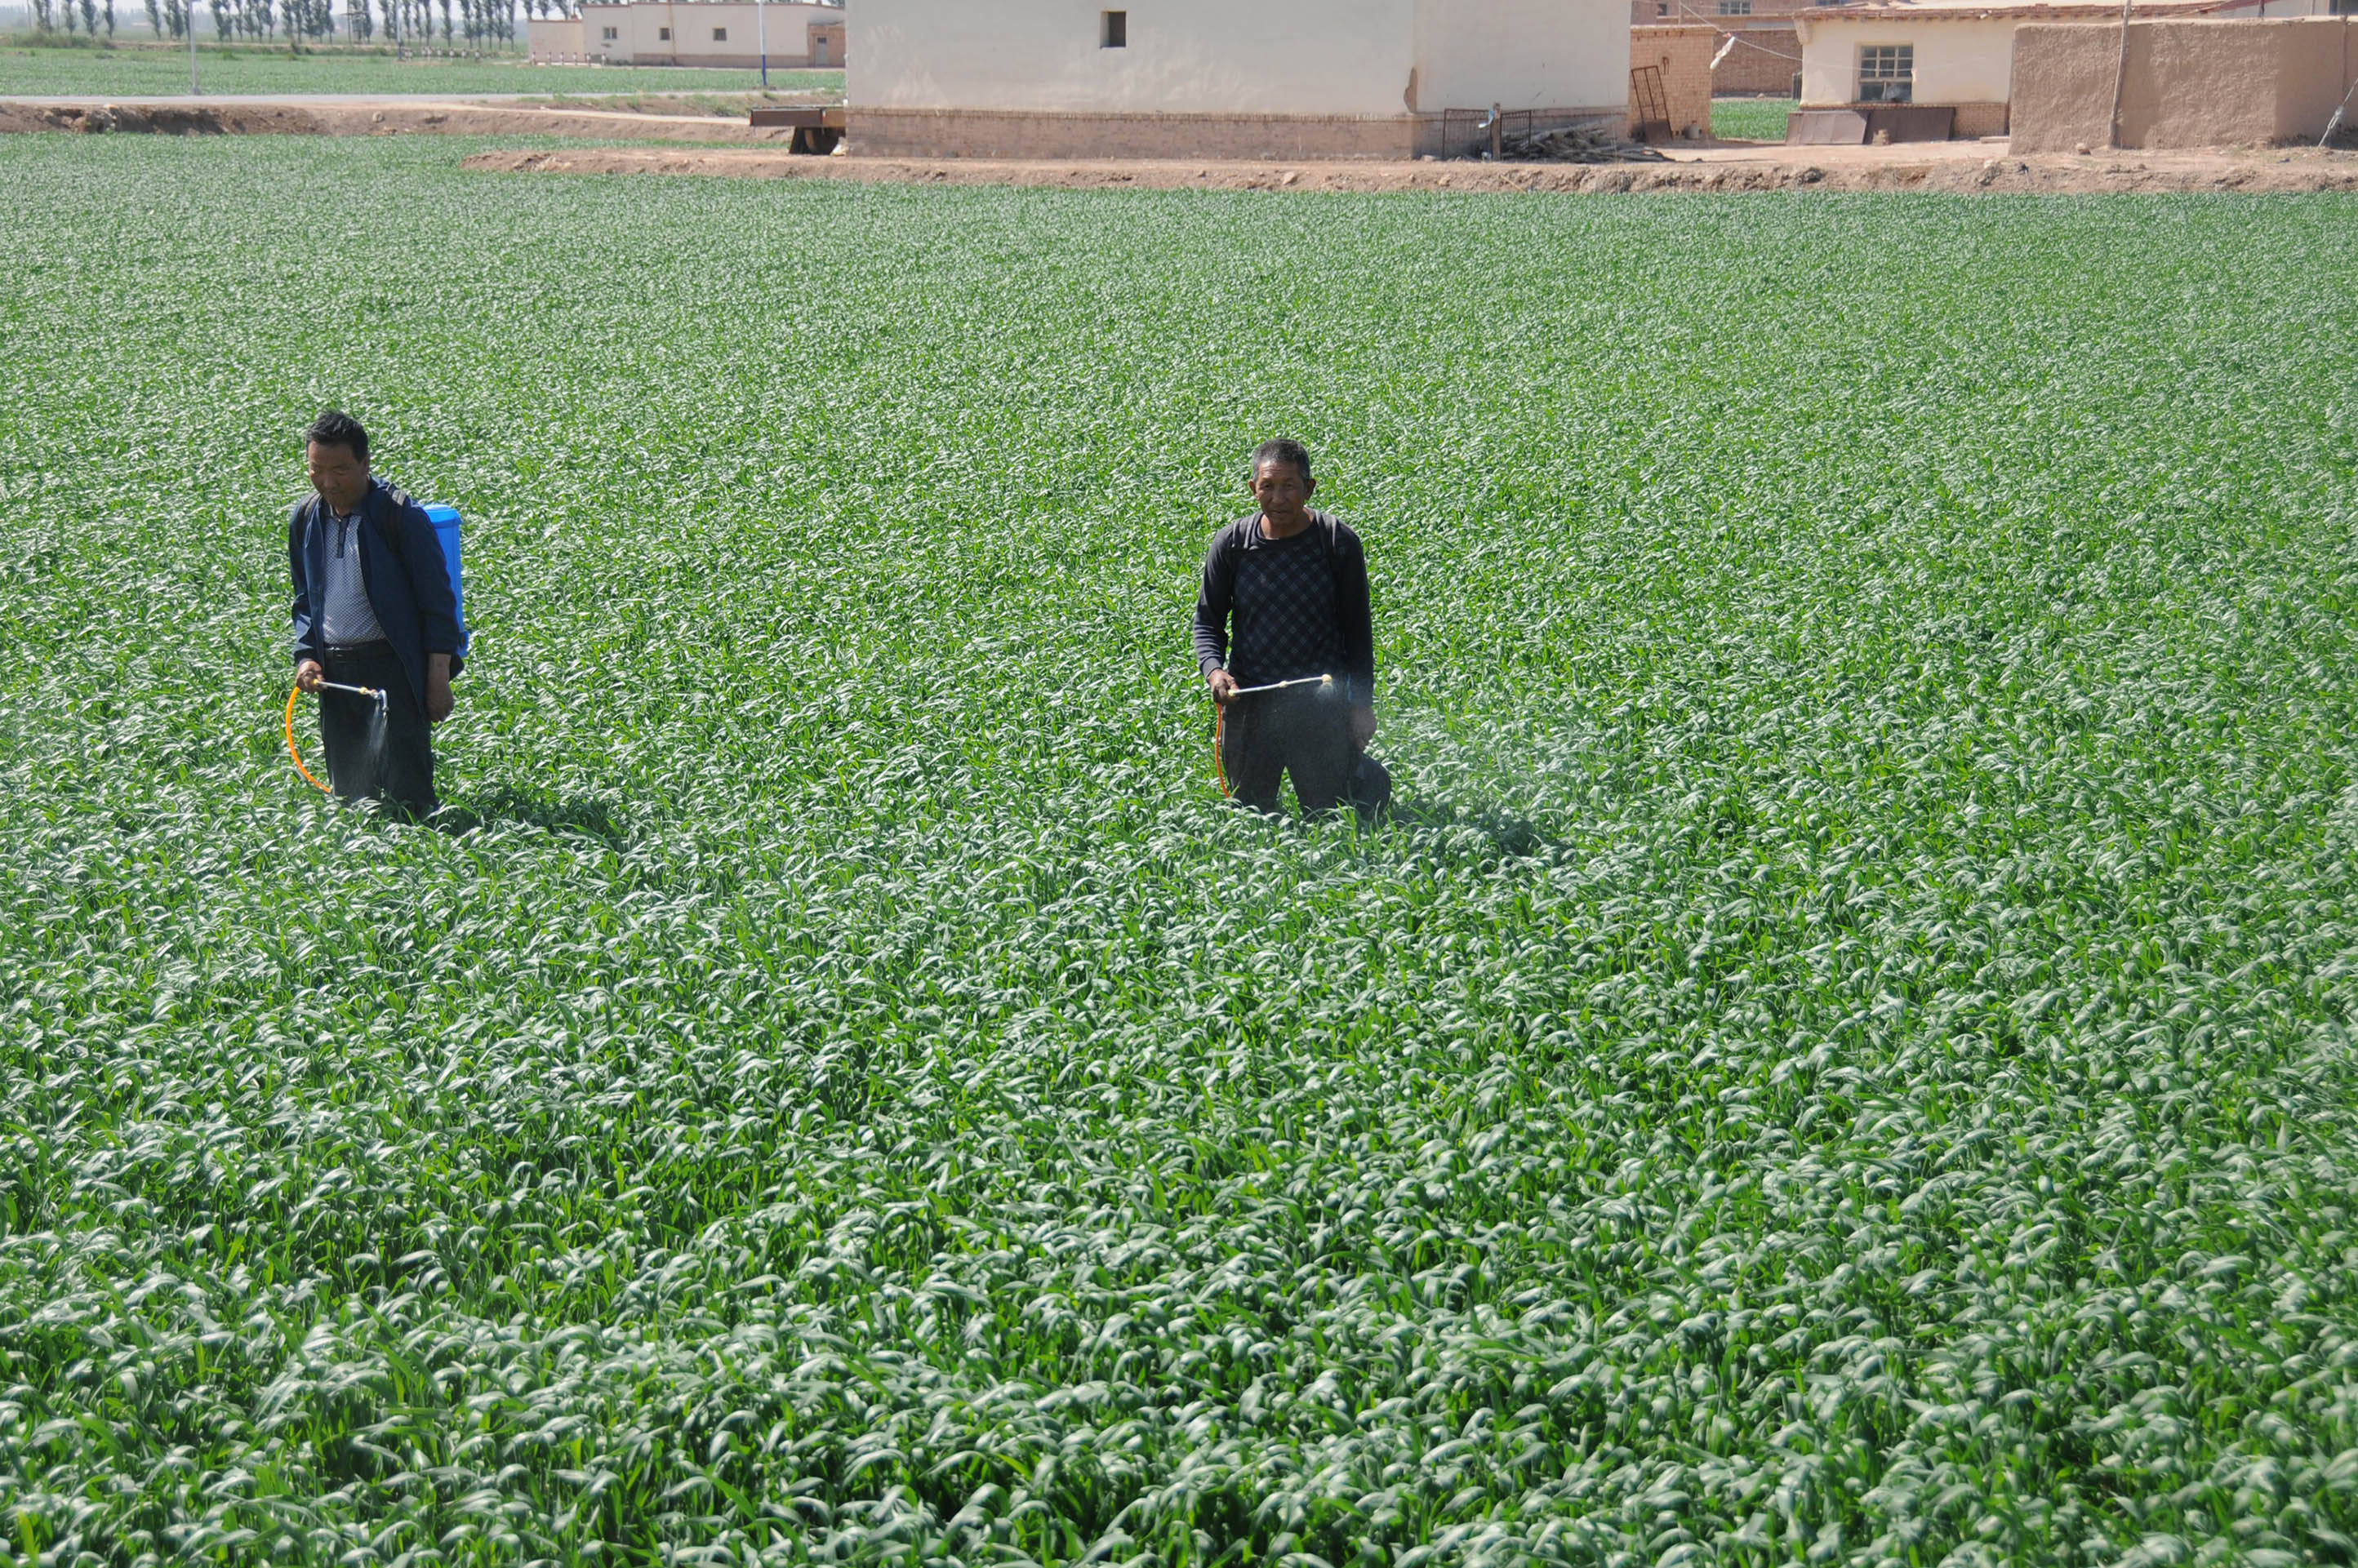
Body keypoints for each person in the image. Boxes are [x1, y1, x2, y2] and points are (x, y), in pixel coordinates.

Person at [1193, 438, 1379, 818]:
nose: (1278, 497)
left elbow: (1358, 633)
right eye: (1268, 486)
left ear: (1309, 488)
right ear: (1253, 489)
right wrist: (1215, 672)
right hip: (1250, 703)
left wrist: (1361, 705)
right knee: (1251, 817)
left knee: (1329, 818)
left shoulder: (1335, 542)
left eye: (1289, 486)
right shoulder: (1233, 544)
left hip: (1321, 707)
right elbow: (1207, 623)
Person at [287, 410, 461, 815]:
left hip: (394, 668)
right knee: (350, 797)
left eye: (341, 470)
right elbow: (304, 601)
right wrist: (307, 654)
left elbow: (438, 603)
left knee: (409, 794)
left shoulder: (400, 516)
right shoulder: (306, 519)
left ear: (366, 464)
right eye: (316, 470)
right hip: (336, 674)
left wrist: (437, 678)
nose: (328, 482)